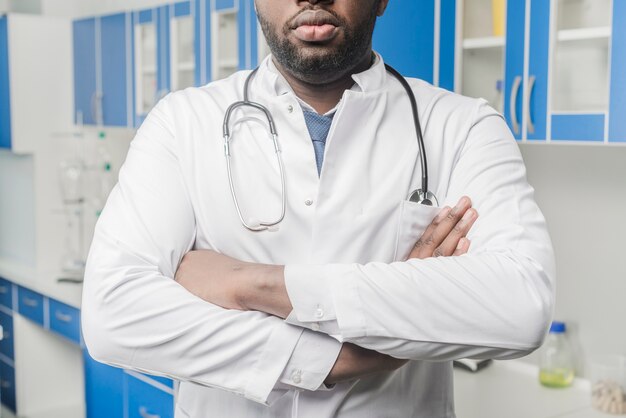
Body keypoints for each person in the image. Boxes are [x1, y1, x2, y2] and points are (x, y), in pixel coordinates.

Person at [81, 0, 555, 417]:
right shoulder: (182, 122)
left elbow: (519, 306)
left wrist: (251, 283)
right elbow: (112, 315)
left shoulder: (463, 126)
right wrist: (341, 358)